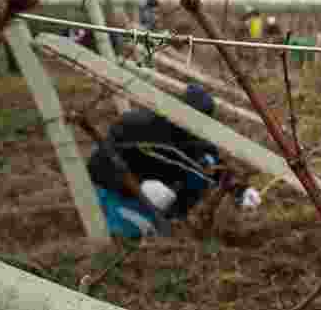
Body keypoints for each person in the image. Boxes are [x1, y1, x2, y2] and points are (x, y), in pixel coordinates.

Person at [86, 84, 258, 238]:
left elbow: (213, 167)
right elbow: (97, 167)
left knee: (203, 165)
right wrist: (138, 186)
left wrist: (240, 190)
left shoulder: (196, 138)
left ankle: (175, 219)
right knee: (133, 234)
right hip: (118, 191)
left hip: (161, 195)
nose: (193, 129)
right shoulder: (136, 127)